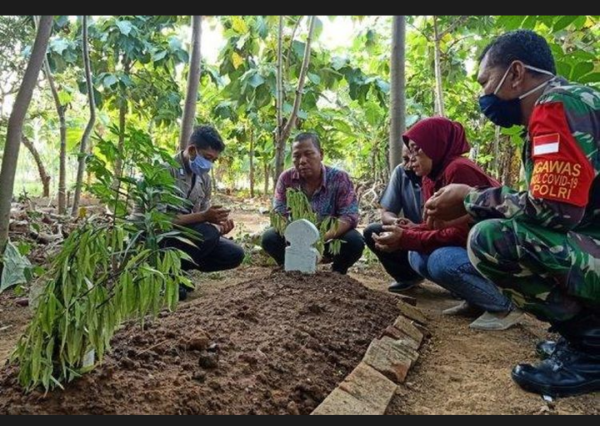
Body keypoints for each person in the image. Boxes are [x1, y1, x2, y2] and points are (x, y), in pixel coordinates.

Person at [424, 30, 600, 396]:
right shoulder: (576, 101)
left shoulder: (555, 108)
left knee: (492, 240)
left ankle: (593, 349)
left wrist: (472, 200)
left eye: (486, 82)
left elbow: (556, 211)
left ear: (516, 74)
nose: (484, 95)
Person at [372, 117, 522, 330]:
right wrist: (409, 230)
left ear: (436, 144)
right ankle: (476, 301)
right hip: (472, 248)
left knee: (441, 261)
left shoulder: (459, 170)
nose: (411, 158)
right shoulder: (430, 177)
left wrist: (408, 236)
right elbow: (438, 225)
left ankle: (506, 305)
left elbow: (462, 232)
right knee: (416, 255)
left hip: (499, 252)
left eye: (417, 149)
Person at [160, 125, 245, 300]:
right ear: (192, 150)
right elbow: (158, 221)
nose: (210, 164)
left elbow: (201, 217)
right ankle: (165, 275)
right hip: (158, 238)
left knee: (234, 254)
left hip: (184, 236)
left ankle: (179, 271)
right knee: (207, 233)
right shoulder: (166, 171)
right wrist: (205, 218)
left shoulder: (204, 179)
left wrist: (218, 225)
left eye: (213, 160)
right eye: (207, 158)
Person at [261, 132, 365, 274]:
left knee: (354, 241)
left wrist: (320, 239)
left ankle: (337, 274)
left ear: (321, 154)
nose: (302, 161)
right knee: (270, 238)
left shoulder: (339, 178)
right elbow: (280, 213)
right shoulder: (286, 179)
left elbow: (349, 216)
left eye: (308, 154)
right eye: (297, 156)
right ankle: (291, 269)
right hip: (294, 240)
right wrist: (297, 240)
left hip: (329, 240)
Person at [364, 144, 425, 292]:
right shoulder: (401, 172)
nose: (409, 164)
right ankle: (408, 277)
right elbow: (386, 212)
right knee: (372, 232)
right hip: (411, 235)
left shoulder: (443, 174)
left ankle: (461, 287)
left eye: (414, 158)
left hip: (438, 236)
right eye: (405, 159)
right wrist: (396, 222)